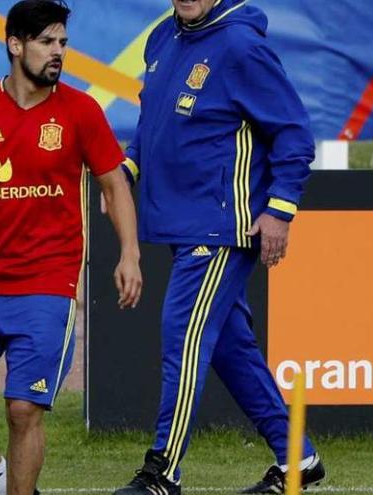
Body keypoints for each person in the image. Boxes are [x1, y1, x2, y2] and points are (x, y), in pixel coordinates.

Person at [0, 2, 142, 495]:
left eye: (63, 44)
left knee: (23, 408)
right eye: (47, 42)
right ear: (16, 45)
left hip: (48, 286)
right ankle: (0, 478)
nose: (58, 53)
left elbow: (114, 185)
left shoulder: (81, 111)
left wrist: (130, 254)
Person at [112, 0, 325, 494]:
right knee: (231, 349)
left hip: (223, 227)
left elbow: (294, 135)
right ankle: (300, 459)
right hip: (181, 224)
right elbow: (151, 125)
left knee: (183, 337)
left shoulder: (241, 46)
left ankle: (163, 472)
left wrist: (280, 209)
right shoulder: (163, 37)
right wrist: (125, 172)